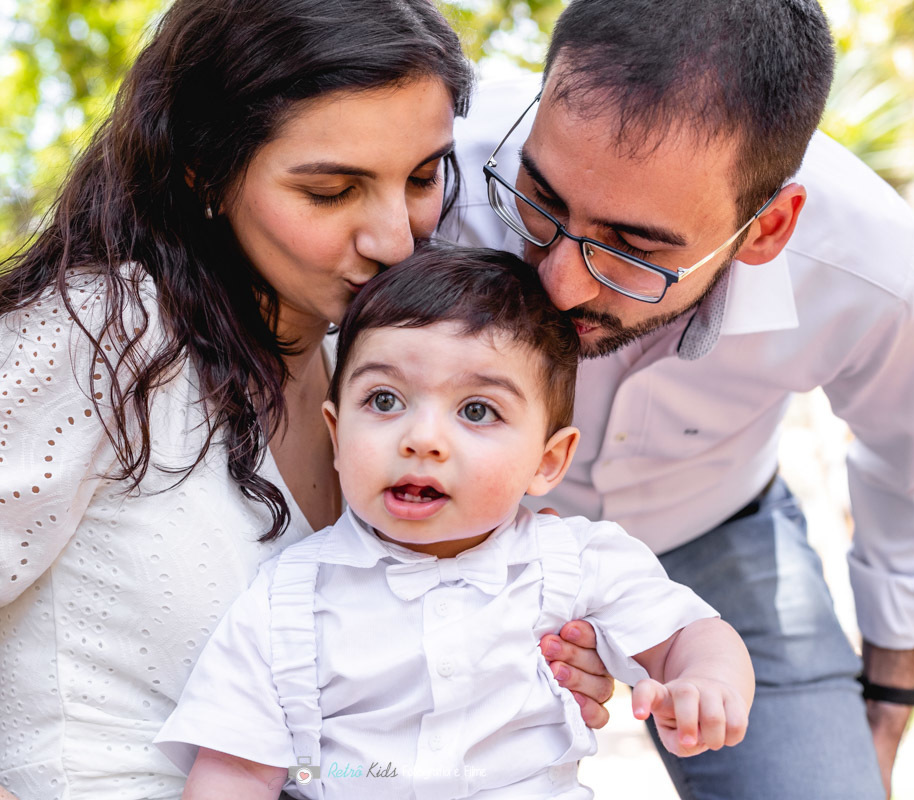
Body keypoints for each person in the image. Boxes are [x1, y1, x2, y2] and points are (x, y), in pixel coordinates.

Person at [0, 1, 499, 797]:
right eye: (331, 191)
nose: (396, 238)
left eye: (424, 176)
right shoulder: (106, 341)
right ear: (204, 173)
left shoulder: (359, 362)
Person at [440, 1, 914, 799]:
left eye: (633, 248)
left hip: (721, 539)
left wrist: (889, 706)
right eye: (540, 202)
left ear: (768, 230)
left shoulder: (875, 269)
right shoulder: (437, 157)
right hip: (446, 535)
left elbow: (909, 471)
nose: (556, 281)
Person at [153, 245, 755, 800]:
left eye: (477, 410)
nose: (422, 440)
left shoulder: (573, 562)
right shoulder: (287, 599)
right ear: (336, 435)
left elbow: (686, 635)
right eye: (384, 400)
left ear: (547, 460)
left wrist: (705, 683)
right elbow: (236, 768)